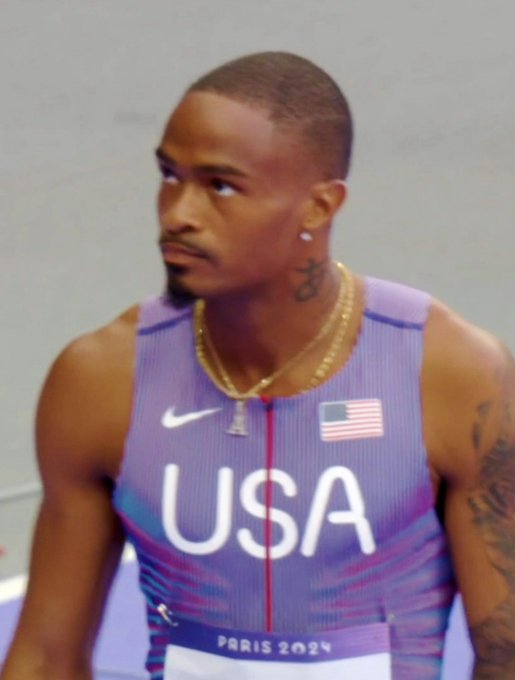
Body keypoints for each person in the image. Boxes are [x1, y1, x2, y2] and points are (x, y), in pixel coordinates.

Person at [1, 51, 514, 680]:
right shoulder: (102, 382)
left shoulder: (454, 378)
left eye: (220, 186)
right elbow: (46, 656)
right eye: (169, 175)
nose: (178, 213)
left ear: (319, 206)